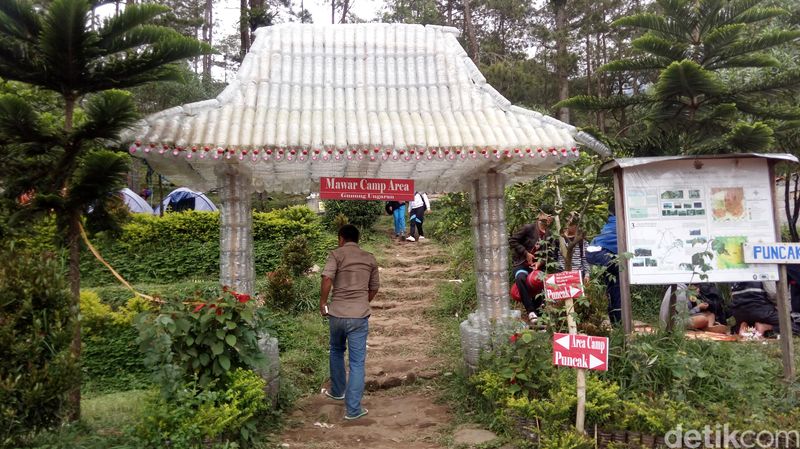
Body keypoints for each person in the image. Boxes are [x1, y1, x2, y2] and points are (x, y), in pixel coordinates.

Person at [320, 224, 380, 420]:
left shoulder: (336, 254)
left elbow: (327, 278)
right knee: (356, 363)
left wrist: (323, 303)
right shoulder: (369, 258)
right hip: (358, 316)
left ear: (341, 239)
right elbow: (374, 288)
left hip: (336, 314)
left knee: (336, 350)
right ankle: (353, 410)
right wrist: (362, 302)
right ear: (358, 239)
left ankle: (338, 391)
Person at [509, 205, 557, 322]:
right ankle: (530, 311)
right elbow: (512, 240)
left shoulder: (550, 234)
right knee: (520, 278)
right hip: (521, 264)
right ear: (540, 215)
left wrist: (539, 263)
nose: (548, 218)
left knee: (538, 283)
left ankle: (539, 318)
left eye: (551, 217)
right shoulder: (529, 228)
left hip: (537, 267)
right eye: (547, 215)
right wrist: (525, 253)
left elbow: (550, 253)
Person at [586, 205, 621, 324]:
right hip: (602, 254)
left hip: (595, 253)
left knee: (612, 286)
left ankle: (616, 321)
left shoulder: (610, 222)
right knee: (617, 287)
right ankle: (618, 322)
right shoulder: (620, 222)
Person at [730, 281, 800, 338]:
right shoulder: (764, 267)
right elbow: (773, 293)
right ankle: (765, 327)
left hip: (739, 312)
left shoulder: (736, 269)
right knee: (794, 328)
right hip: (760, 310)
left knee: (753, 320)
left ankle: (745, 327)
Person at [557, 212, 589, 279]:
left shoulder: (581, 240)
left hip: (577, 274)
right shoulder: (559, 239)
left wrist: (587, 274)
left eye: (571, 223)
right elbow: (555, 257)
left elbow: (585, 258)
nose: (568, 225)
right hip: (562, 274)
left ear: (577, 225)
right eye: (566, 222)